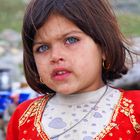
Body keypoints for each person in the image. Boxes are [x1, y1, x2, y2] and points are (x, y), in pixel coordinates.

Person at [6, 0, 140, 139]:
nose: (55, 56)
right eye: (43, 48)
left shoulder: (136, 111)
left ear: (104, 47)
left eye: (71, 40)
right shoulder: (23, 118)